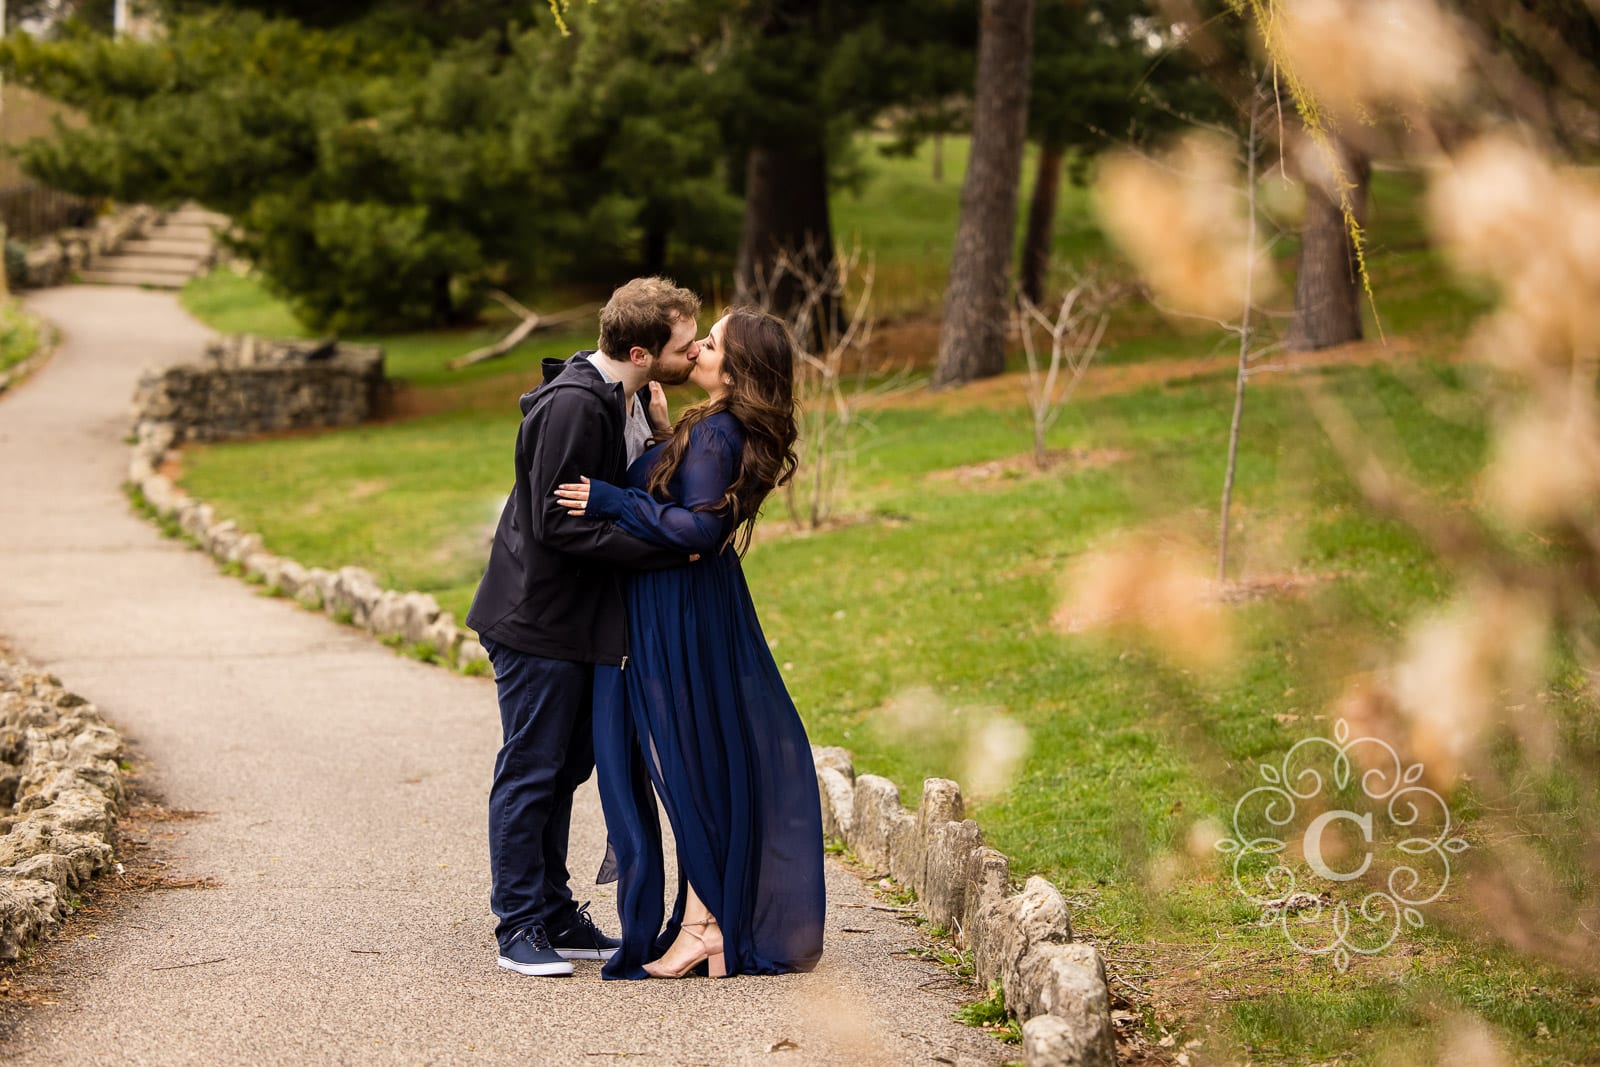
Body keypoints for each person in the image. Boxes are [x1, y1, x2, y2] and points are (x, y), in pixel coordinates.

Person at [554, 307, 826, 979]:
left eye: (711, 344)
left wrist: (611, 502)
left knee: (691, 763)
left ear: (736, 370)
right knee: (697, 759)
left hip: (680, 612)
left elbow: (698, 531)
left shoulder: (719, 433)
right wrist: (660, 425)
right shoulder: (714, 427)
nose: (697, 348)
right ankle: (707, 921)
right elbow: (687, 494)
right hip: (690, 604)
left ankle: (706, 925)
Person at [465, 277, 703, 978]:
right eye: (685, 346)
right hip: (537, 619)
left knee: (566, 766)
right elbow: (557, 522)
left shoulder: (622, 398)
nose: (693, 357)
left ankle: (554, 905)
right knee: (533, 767)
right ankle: (518, 922)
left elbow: (629, 493)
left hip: (574, 621)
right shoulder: (575, 406)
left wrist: (661, 433)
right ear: (640, 349)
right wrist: (666, 548)